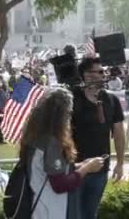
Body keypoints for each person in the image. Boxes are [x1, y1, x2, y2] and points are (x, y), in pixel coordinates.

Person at [19, 87, 104, 219]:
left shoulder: (34, 136)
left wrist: (80, 165)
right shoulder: (51, 141)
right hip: (51, 211)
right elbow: (60, 184)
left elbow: (50, 171)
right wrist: (87, 169)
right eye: (69, 113)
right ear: (61, 114)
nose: (70, 117)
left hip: (39, 209)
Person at [71, 57, 125, 219]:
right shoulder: (72, 99)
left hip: (100, 170)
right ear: (87, 75)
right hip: (75, 169)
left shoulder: (111, 100)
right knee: (73, 214)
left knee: (90, 214)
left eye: (103, 72)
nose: (103, 75)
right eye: (99, 72)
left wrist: (120, 163)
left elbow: (119, 132)